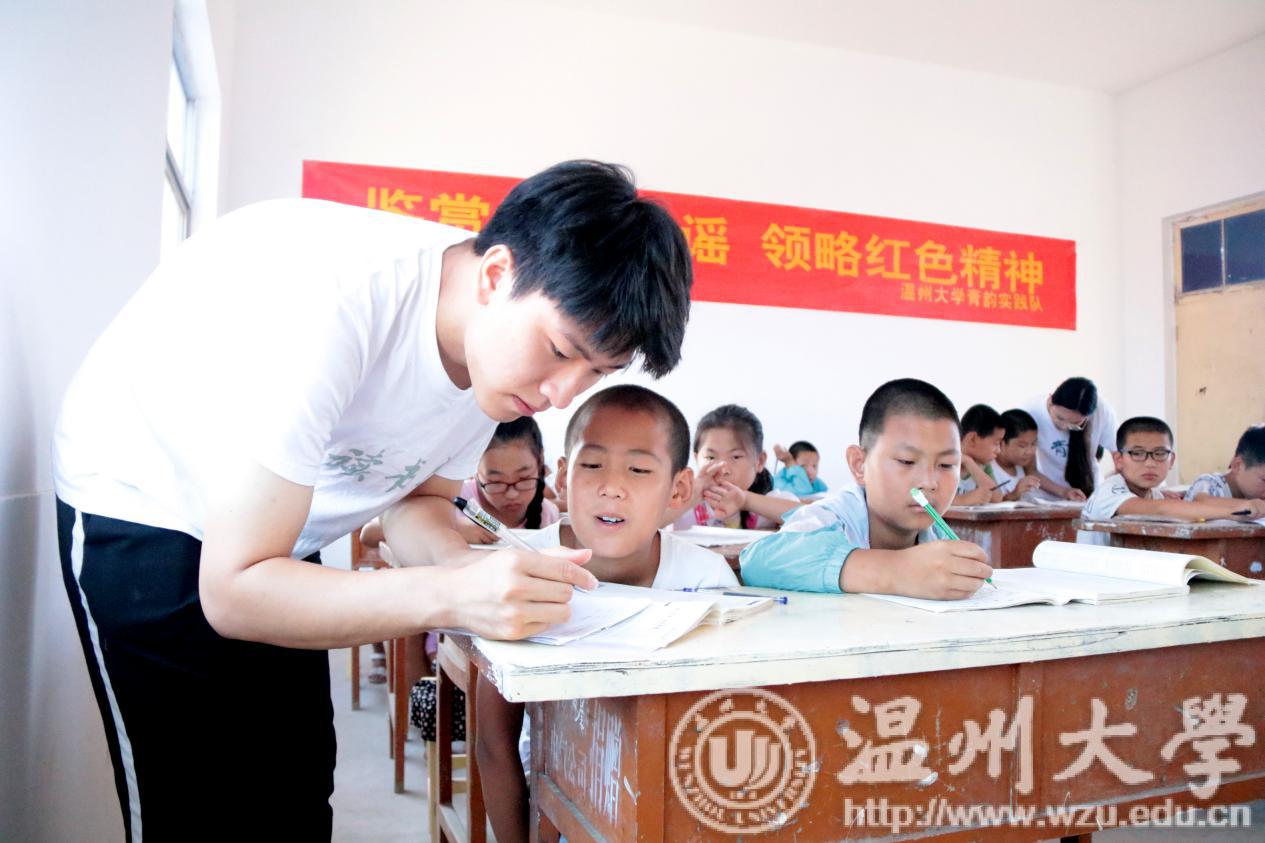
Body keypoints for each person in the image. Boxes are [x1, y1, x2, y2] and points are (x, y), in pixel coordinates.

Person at [52, 160, 692, 840]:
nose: (562, 394)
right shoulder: (334, 306)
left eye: (595, 373)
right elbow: (234, 592)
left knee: (295, 785)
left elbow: (418, 501)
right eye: (561, 352)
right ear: (496, 275)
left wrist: (460, 565)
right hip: (147, 507)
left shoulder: (496, 359)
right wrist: (451, 595)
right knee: (195, 803)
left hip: (273, 543)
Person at [475, 385, 738, 843]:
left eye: (638, 470)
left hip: (673, 805)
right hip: (555, 805)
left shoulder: (706, 579)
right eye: (592, 465)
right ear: (563, 476)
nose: (611, 487)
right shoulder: (520, 572)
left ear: (678, 489)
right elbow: (494, 744)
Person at [740, 379, 992, 599]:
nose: (929, 482)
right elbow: (758, 561)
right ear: (859, 465)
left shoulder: (935, 536)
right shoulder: (831, 519)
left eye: (946, 464)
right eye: (906, 461)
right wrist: (895, 571)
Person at [1082, 417, 1265, 524]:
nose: (1150, 463)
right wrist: (1237, 510)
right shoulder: (1110, 491)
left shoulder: (1156, 495)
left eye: (1160, 454)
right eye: (1137, 453)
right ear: (1119, 460)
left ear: (1171, 460)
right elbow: (1160, 510)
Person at [672, 404, 799, 530]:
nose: (723, 470)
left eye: (736, 457)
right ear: (696, 459)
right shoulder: (682, 506)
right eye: (710, 457)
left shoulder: (769, 504)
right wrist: (694, 494)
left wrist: (746, 501)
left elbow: (806, 516)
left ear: (759, 461)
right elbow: (660, 517)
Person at [455, 417, 561, 544]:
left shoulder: (549, 516)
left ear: (540, 461)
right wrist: (450, 528)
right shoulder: (451, 501)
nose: (512, 494)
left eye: (524, 478)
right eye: (496, 482)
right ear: (474, 467)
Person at [1022, 377, 1117, 499]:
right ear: (1050, 401)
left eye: (1075, 423)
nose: (1064, 426)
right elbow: (1030, 470)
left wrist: (1115, 487)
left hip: (1091, 493)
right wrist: (1064, 492)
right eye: (1059, 418)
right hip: (1045, 496)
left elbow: (1119, 453)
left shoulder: (1101, 409)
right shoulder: (1031, 411)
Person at [1184, 425, 1265, 504]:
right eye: (1264, 480)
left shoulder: (1251, 496)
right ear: (1237, 466)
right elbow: (1200, 502)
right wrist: (1252, 506)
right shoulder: (1209, 484)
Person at [990, 409, 1050, 502]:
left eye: (1034, 444)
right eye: (1022, 446)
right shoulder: (987, 468)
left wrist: (1065, 492)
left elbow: (1033, 471)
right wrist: (1014, 494)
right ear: (1001, 444)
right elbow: (988, 504)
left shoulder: (1023, 463)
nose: (1030, 452)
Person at [952, 404, 1005, 506]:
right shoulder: (944, 459)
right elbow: (929, 500)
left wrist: (969, 463)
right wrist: (964, 500)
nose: (998, 451)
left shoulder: (983, 465)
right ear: (972, 439)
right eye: (996, 443)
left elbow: (997, 498)